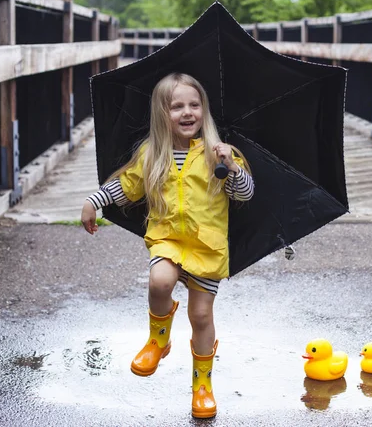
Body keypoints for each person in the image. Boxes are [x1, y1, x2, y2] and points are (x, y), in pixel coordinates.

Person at [81, 72, 254, 419]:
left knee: (201, 315)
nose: (187, 112)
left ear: (204, 111)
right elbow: (127, 186)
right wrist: (95, 200)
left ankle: (202, 385)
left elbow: (245, 195)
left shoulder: (220, 154)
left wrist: (231, 168)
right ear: (162, 114)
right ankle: (158, 339)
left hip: (207, 248)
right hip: (168, 240)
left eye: (194, 104)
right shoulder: (152, 153)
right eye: (177, 106)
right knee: (159, 282)